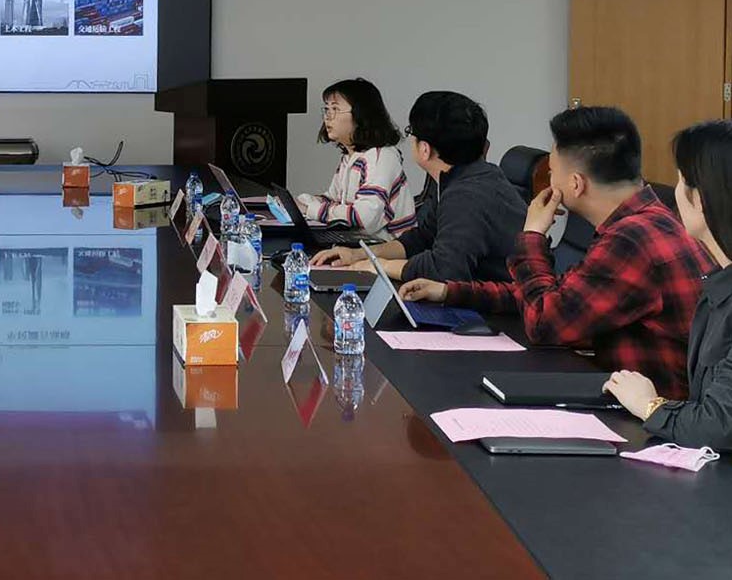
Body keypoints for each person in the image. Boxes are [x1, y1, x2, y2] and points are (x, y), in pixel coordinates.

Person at [401, 107, 715, 397]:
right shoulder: (645, 220)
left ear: (576, 184)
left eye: (551, 172)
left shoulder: (631, 239)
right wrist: (450, 292)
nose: (549, 181)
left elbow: (544, 322)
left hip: (648, 419)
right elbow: (564, 296)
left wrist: (533, 235)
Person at [605, 121, 732, 447]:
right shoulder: (718, 284)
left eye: (680, 179)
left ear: (699, 198)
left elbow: (718, 425)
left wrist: (649, 405)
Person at [313, 91, 524, 284]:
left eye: (411, 132)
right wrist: (359, 255)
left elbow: (444, 271)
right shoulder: (464, 177)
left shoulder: (466, 195)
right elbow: (421, 239)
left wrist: (380, 266)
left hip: (499, 307)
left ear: (424, 149)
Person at [294, 78, 415, 241]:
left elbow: (363, 218)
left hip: (385, 248)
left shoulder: (382, 157)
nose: (327, 117)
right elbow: (333, 199)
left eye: (335, 109)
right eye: (327, 109)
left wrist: (312, 209)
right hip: (358, 242)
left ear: (361, 116)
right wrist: (302, 203)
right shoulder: (350, 157)